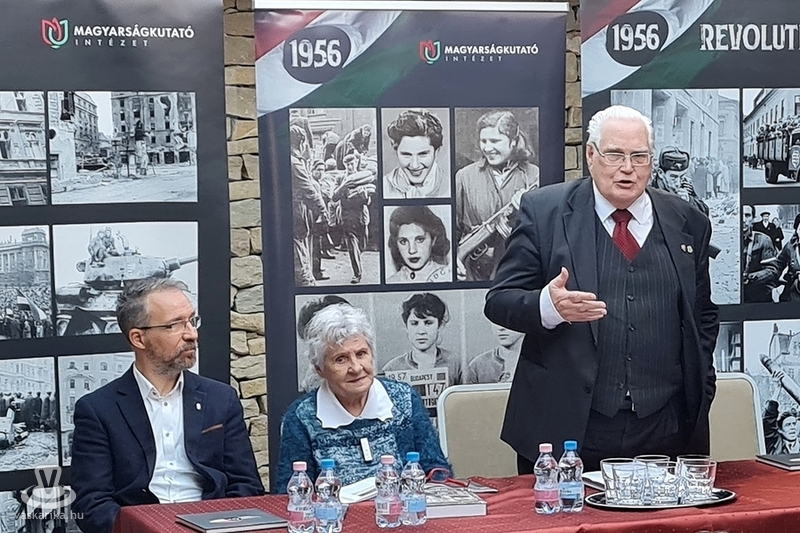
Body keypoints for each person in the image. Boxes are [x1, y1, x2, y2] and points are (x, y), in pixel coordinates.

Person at [484, 105, 719, 473]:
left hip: (665, 429)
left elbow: (702, 315)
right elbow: (499, 300)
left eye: (639, 156)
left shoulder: (688, 221)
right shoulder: (544, 212)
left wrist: (703, 386)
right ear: (591, 156)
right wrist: (549, 307)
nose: (628, 168)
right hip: (568, 429)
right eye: (614, 154)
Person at [71, 278, 263, 533]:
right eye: (174, 325)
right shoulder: (98, 410)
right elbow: (92, 504)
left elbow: (246, 485)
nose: (192, 334)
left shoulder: (220, 399)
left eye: (192, 321)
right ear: (139, 338)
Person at [276, 303, 450, 490]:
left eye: (361, 354)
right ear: (320, 369)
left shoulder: (405, 399)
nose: (356, 368)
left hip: (400, 508)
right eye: (341, 359)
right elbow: (291, 492)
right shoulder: (301, 418)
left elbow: (437, 471)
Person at [455, 110, 540, 281]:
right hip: (472, 273)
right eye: (483, 141)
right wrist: (453, 261)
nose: (487, 148)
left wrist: (526, 207)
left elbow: (542, 232)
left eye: (495, 141)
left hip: (518, 271)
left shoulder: (534, 175)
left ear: (513, 141)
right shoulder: (464, 176)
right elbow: (453, 229)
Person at [382, 293, 463, 388]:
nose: (421, 331)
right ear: (406, 327)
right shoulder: (392, 369)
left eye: (428, 323)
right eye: (414, 323)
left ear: (439, 325)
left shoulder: (455, 364)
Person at [291, 125, 328, 286]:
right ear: (301, 143)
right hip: (296, 211)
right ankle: (307, 283)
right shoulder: (295, 163)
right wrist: (323, 211)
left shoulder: (293, 160)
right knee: (299, 253)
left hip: (296, 211)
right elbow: (309, 189)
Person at [383, 109, 450, 198]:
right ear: (396, 151)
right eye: (406, 155)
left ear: (436, 152)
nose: (415, 165)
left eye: (423, 154)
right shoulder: (384, 186)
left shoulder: (450, 186)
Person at [332, 151, 376, 284]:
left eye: (352, 164)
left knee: (362, 244)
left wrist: (364, 196)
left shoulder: (363, 177)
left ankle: (358, 257)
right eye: (347, 165)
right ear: (344, 165)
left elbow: (368, 201)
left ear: (356, 163)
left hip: (361, 215)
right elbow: (334, 197)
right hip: (347, 215)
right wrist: (344, 186)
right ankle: (357, 273)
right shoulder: (341, 178)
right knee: (352, 245)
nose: (350, 167)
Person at [386, 205, 452, 284]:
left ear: (433, 240)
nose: (412, 250)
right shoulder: (391, 282)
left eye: (420, 240)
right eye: (403, 242)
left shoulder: (448, 276)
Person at [651, 147, 708, 215]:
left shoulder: (686, 187)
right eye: (673, 177)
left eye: (682, 177)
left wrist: (690, 201)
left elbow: (704, 213)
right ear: (661, 173)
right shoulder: (649, 190)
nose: (678, 183)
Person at [742, 205, 779, 303]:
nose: (743, 220)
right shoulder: (726, 242)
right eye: (740, 215)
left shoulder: (764, 240)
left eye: (747, 215)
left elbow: (773, 270)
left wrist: (748, 278)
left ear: (753, 219)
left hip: (758, 296)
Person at [763, 370, 799, 454]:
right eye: (788, 425)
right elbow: (768, 421)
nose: (792, 427)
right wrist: (777, 390)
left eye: (794, 424)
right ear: (780, 430)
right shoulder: (774, 443)